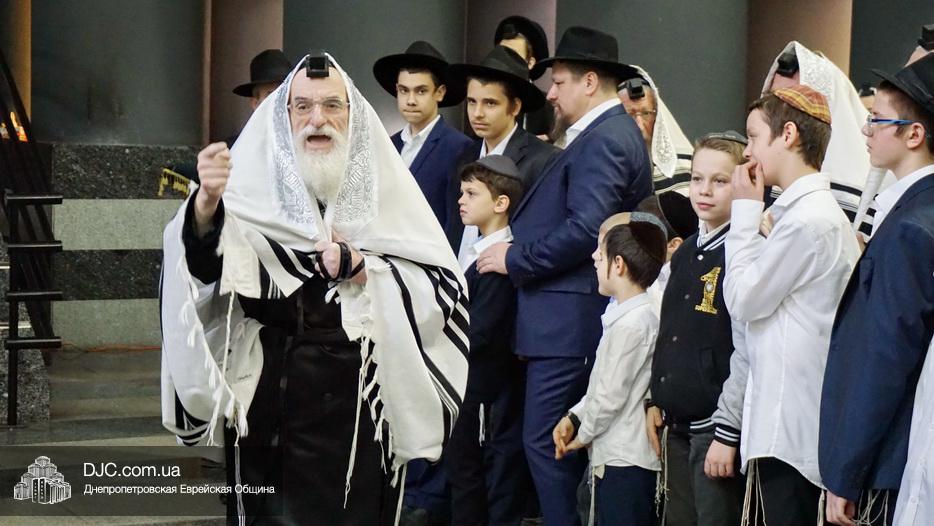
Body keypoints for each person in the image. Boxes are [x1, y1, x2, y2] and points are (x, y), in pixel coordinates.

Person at [160, 53, 469, 525]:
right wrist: (204, 206)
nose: (316, 119)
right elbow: (205, 271)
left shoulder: (387, 191)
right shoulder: (247, 189)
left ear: (353, 113)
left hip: (360, 402)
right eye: (302, 106)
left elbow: (440, 287)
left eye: (331, 105)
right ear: (284, 116)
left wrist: (367, 269)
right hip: (271, 396)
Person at [475, 26, 653, 525]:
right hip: (559, 320)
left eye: (559, 82)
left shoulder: (606, 138)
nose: (550, 94)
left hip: (567, 322)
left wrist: (515, 258)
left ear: (589, 81)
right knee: (548, 442)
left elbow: (586, 227)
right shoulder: (603, 135)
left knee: (547, 443)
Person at [724, 84, 860, 525]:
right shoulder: (799, 215)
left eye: (753, 137)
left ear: (788, 135)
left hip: (791, 427)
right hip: (782, 424)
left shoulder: (809, 220)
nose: (747, 152)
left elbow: (743, 300)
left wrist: (744, 215)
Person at [820, 53, 934, 526]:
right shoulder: (915, 212)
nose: (866, 130)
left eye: (877, 120)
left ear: (914, 134)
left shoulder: (912, 227)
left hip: (889, 459)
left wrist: (847, 471)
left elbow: (885, 357)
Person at [645, 132, 748, 526]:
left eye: (719, 181)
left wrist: (728, 430)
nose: (704, 190)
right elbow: (668, 333)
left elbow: (747, 349)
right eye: (696, 179)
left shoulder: (743, 250)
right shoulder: (686, 250)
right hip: (675, 422)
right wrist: (654, 398)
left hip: (715, 428)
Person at [553, 215, 666, 526]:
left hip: (624, 458)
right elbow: (603, 386)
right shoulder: (627, 317)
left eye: (600, 254)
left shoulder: (633, 324)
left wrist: (583, 434)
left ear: (618, 265)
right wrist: (574, 416)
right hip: (616, 454)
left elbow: (609, 395)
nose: (593, 258)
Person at [445, 155, 529, 526]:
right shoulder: (479, 252)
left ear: (500, 203)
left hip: (483, 388)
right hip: (469, 382)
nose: (461, 200)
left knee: (473, 476)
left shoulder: (497, 261)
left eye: (471, 193)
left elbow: (481, 330)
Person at [763, 41, 891, 237]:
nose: (778, 112)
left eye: (791, 101)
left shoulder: (862, 187)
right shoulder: (762, 168)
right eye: (773, 99)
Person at [445, 45, 558, 264]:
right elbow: (453, 226)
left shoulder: (543, 160)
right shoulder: (463, 156)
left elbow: (540, 234)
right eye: (472, 102)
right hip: (458, 273)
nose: (477, 113)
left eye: (490, 103)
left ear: (515, 107)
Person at [373, 40, 472, 226]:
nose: (410, 100)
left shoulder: (459, 148)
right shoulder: (388, 145)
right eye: (404, 90)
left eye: (421, 91)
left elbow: (457, 220)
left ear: (440, 93)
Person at [618, 67, 694, 195]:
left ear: (657, 115)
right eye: (630, 115)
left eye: (646, 113)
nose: (639, 125)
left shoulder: (684, 165)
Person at [494, 15, 554, 138]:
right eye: (501, 54)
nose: (505, 61)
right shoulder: (484, 100)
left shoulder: (549, 108)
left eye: (513, 55)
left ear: (530, 63)